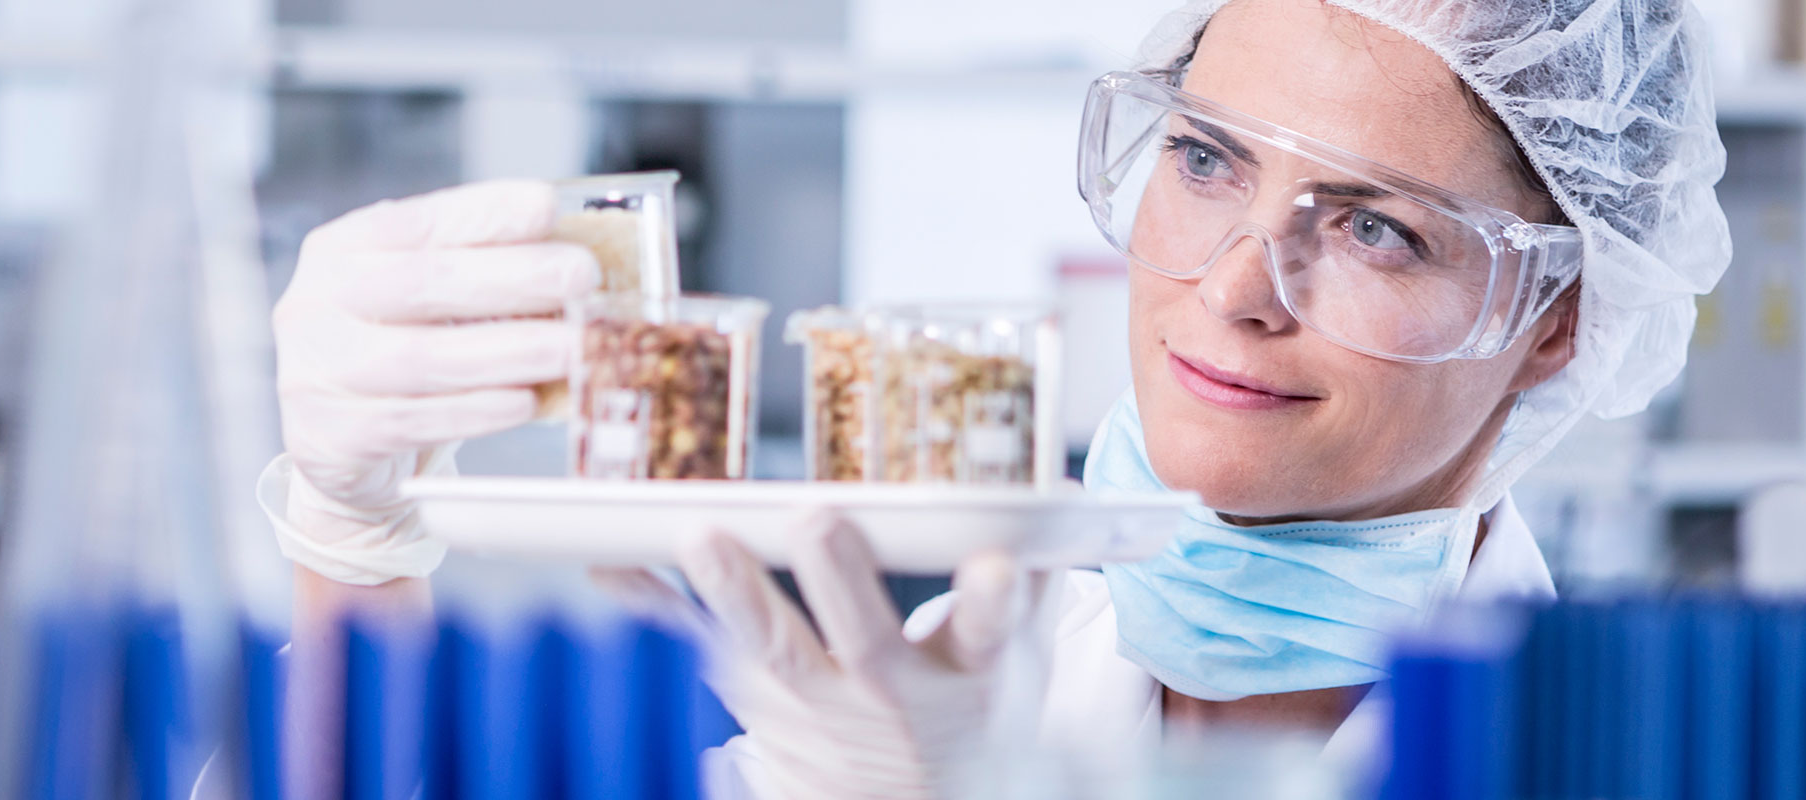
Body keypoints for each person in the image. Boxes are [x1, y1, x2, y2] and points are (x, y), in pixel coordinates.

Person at [260, 0, 1730, 795]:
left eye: (1373, 227)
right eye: (1207, 161)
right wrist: (349, 539)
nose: (1233, 286)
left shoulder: (1641, 763)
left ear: (1554, 324)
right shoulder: (918, 691)